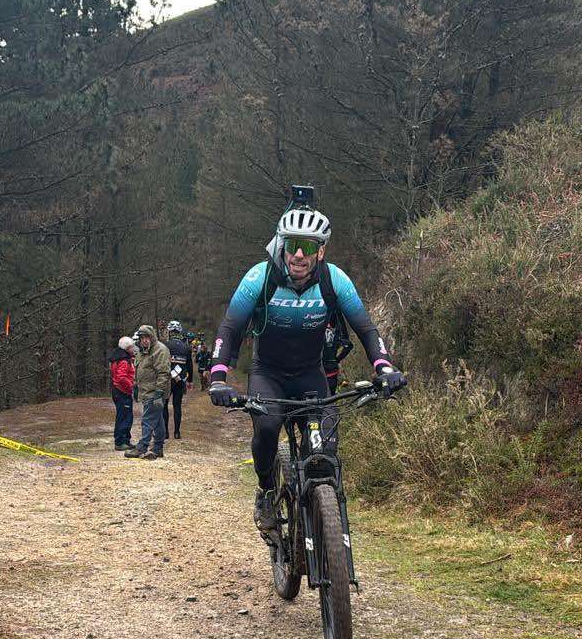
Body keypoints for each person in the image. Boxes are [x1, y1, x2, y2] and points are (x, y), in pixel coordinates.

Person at [209, 199, 406, 529]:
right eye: (292, 245)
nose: (298, 255)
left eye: (307, 247)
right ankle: (266, 490)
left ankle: (319, 516)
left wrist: (383, 367)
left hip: (310, 375)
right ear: (282, 246)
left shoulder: (334, 280)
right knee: (268, 428)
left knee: (324, 450)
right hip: (268, 374)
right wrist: (218, 376)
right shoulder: (260, 277)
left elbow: (366, 329)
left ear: (320, 251)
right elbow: (230, 328)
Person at [124, 325, 171, 460]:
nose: (144, 340)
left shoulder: (160, 350)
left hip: (155, 391)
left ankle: (142, 447)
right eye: (142, 338)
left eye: (147, 337)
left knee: (147, 419)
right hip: (145, 390)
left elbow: (164, 373)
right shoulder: (143, 351)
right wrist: (136, 387)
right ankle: (158, 447)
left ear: (152, 337)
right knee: (158, 420)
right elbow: (140, 370)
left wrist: (159, 392)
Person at [163, 320, 194, 439]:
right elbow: (190, 365)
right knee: (177, 406)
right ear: (180, 331)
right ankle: (177, 432)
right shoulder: (186, 347)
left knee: (164, 405)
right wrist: (190, 380)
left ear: (170, 331)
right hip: (180, 379)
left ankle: (165, 432)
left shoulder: (165, 345)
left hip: (167, 379)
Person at [109, 335, 136, 450]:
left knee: (125, 416)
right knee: (124, 417)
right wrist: (131, 385)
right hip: (122, 391)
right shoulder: (124, 361)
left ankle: (125, 439)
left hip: (118, 390)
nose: (133, 349)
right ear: (127, 348)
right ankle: (120, 442)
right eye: (131, 347)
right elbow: (121, 377)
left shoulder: (118, 357)